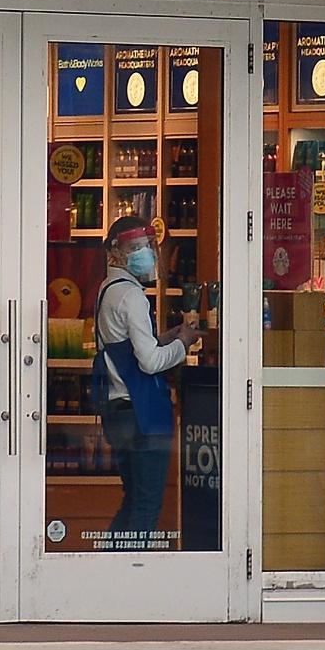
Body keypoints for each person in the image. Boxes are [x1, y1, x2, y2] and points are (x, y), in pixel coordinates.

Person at [95, 212, 200, 546]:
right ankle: (130, 577)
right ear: (115, 253)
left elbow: (127, 346)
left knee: (132, 499)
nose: (147, 254)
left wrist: (168, 335)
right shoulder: (132, 296)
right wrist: (182, 345)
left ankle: (107, 569)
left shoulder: (107, 290)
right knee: (146, 503)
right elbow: (151, 361)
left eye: (148, 246)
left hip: (117, 410)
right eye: (137, 247)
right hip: (141, 412)